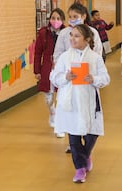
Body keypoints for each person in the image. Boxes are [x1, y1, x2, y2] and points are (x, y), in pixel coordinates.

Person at [49, 24, 110, 183]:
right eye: (71, 35)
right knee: (74, 137)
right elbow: (54, 76)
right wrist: (65, 77)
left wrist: (94, 79)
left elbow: (105, 78)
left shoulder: (95, 58)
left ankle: (85, 155)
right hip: (71, 102)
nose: (72, 39)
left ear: (87, 39)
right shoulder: (65, 57)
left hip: (89, 100)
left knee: (92, 134)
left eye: (76, 36)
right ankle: (80, 168)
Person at [33, 8, 66, 138]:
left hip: (62, 68)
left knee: (62, 96)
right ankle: (52, 113)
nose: (55, 21)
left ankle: (60, 125)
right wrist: (37, 70)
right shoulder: (43, 33)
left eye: (58, 18)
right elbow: (37, 53)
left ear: (62, 20)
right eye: (53, 18)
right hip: (47, 67)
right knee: (48, 95)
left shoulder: (67, 33)